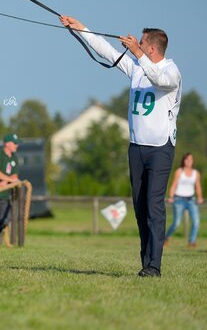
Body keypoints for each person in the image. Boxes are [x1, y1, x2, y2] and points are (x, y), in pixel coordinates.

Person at [60, 15, 182, 278]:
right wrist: (81, 28)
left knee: (154, 205)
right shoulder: (137, 67)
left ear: (151, 48)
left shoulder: (171, 71)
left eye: (141, 42)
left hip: (161, 148)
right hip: (136, 147)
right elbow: (106, 50)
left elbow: (160, 81)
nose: (135, 43)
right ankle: (145, 261)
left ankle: (155, 265)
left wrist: (138, 54)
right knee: (139, 207)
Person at [164, 153, 203, 249]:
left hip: (191, 200)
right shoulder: (179, 171)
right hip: (179, 199)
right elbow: (174, 185)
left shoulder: (196, 173)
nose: (189, 161)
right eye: (187, 159)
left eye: (190, 159)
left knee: (196, 222)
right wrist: (171, 196)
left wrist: (200, 197)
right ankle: (165, 238)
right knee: (176, 223)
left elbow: (198, 186)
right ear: (183, 161)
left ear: (193, 161)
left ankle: (192, 242)